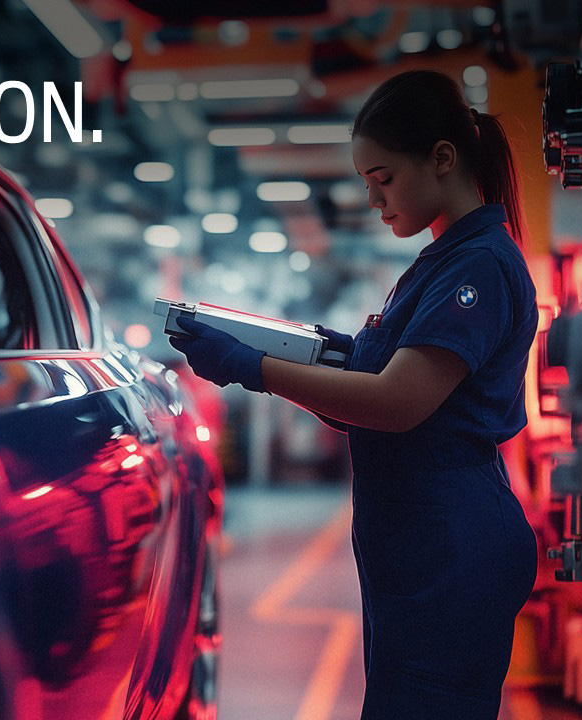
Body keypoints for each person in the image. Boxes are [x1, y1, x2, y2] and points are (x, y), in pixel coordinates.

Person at [169, 69, 539, 719]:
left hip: (449, 542)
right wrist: (316, 356)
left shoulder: (478, 265)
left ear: (442, 159)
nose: (373, 200)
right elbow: (374, 394)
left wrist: (254, 366)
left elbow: (396, 403)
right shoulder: (440, 261)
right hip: (422, 541)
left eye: (383, 179)